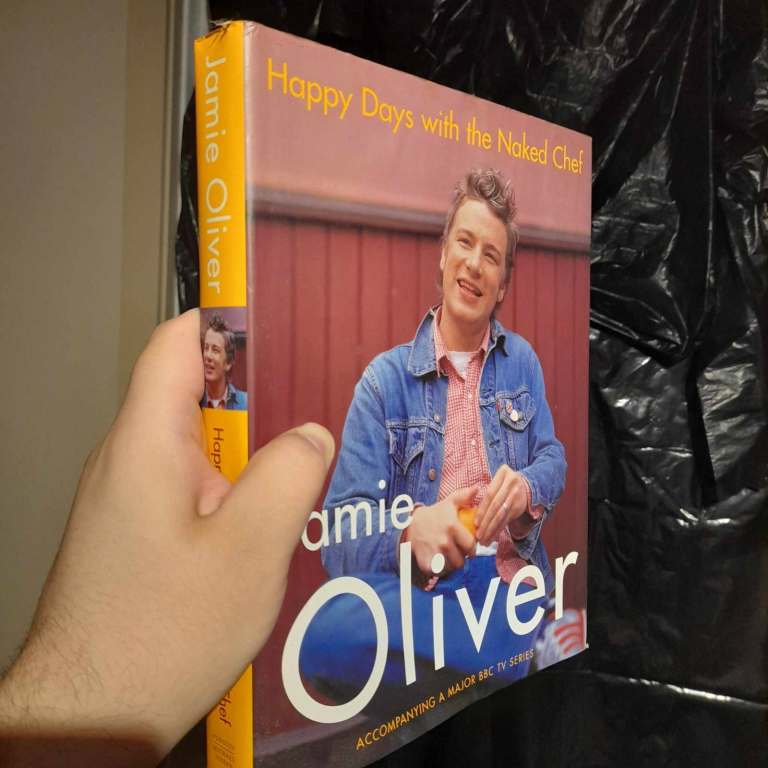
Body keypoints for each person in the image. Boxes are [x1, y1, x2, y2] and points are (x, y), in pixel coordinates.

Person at [0, 310, 334, 767]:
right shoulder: (212, 411)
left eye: (217, 350)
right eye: (206, 349)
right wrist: (86, 697)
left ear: (229, 360)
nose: (209, 357)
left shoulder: (239, 401)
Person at [302, 169, 567, 696]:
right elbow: (337, 536)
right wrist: (409, 534)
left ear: (502, 285)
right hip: (418, 598)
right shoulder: (383, 382)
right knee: (325, 632)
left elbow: (552, 458)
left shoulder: (522, 363)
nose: (474, 263)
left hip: (503, 584)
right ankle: (518, 652)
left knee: (493, 623)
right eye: (464, 243)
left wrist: (526, 489)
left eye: (491, 255)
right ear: (443, 255)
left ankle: (496, 653)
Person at [200, 313, 247, 410]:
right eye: (206, 348)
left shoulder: (245, 403)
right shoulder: (195, 401)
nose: (208, 356)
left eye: (215, 350)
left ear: (228, 363)